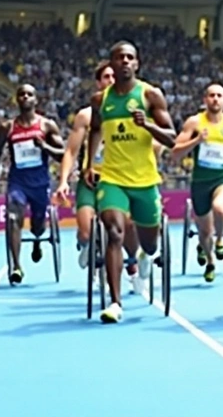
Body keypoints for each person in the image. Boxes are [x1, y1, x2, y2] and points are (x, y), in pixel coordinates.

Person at [86, 41, 177, 323]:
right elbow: (95, 131)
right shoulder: (100, 100)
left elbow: (172, 138)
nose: (125, 61)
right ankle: (115, 303)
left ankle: (144, 255)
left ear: (136, 64)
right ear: (111, 64)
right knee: (114, 232)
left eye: (130, 58)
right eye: (119, 58)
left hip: (145, 180)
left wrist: (147, 125)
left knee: (149, 244)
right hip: (112, 177)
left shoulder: (150, 95)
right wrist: (90, 163)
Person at [55, 60, 144, 294]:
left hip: (121, 179)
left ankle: (132, 262)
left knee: (126, 226)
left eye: (114, 76)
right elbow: (71, 151)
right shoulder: (85, 116)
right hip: (91, 181)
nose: (111, 81)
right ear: (98, 82)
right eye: (106, 77)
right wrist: (63, 180)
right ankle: (87, 243)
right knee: (85, 230)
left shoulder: (133, 110)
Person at [0, 84, 65, 285]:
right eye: (21, 94)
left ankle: (38, 239)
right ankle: (16, 266)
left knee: (38, 226)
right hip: (17, 182)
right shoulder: (8, 127)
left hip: (40, 184)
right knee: (13, 217)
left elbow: (63, 155)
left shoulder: (47, 126)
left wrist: (45, 146)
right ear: (17, 99)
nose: (25, 97)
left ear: (35, 100)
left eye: (29, 94)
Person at [170, 83, 223, 282]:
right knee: (204, 230)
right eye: (211, 95)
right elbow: (175, 152)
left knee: (219, 208)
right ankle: (210, 261)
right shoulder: (194, 123)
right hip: (200, 182)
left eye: (220, 95)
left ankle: (220, 240)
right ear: (205, 99)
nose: (215, 99)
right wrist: (196, 142)